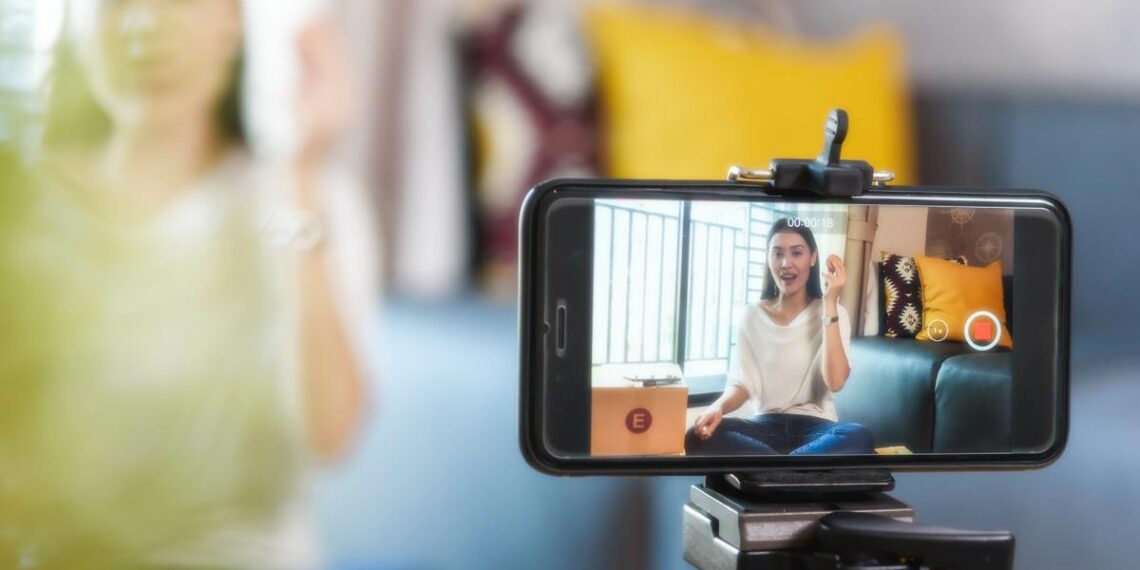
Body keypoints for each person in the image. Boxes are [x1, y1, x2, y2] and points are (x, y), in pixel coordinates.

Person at [0, 0, 377, 568]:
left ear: (233, 21)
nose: (146, 25)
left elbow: (332, 432)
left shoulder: (289, 204)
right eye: (115, 3)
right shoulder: (28, 210)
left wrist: (301, 175)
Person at [685, 218, 873, 456]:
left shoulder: (835, 313)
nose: (786, 263)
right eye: (777, 254)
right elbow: (742, 383)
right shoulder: (752, 315)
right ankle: (793, 469)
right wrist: (717, 408)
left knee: (858, 436)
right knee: (697, 435)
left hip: (818, 429)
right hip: (765, 427)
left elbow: (835, 382)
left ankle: (772, 469)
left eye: (797, 253)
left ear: (812, 258)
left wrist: (829, 303)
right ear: (768, 258)